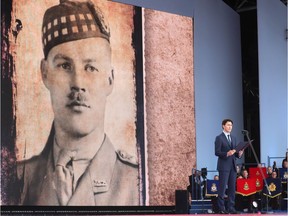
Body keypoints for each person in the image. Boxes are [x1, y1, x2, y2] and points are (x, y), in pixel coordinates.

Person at [16, 0, 139, 206]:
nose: (78, 83)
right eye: (65, 65)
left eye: (90, 68)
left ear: (110, 80)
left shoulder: (135, 183)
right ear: (45, 73)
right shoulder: (17, 180)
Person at [214, 119, 243, 214]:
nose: (230, 127)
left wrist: (239, 154)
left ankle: (231, 207)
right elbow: (217, 152)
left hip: (233, 166)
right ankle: (221, 208)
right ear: (223, 126)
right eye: (228, 125)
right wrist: (226, 153)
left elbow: (235, 154)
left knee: (232, 188)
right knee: (222, 188)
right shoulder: (219, 138)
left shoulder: (234, 138)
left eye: (231, 125)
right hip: (223, 166)